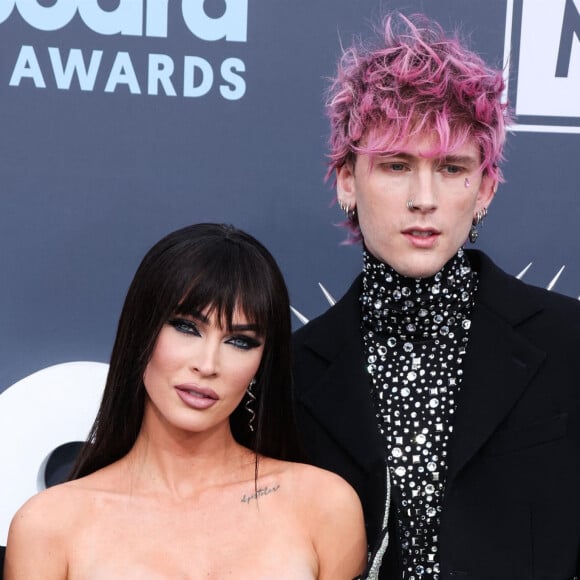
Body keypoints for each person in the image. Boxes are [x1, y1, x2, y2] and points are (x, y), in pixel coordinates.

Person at [292, 13, 580, 579]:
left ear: (486, 190)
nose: (424, 198)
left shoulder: (568, 343)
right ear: (347, 180)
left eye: (451, 168)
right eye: (397, 166)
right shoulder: (295, 371)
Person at [4, 223, 367, 580]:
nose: (207, 365)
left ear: (261, 363)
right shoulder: (50, 526)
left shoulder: (323, 506)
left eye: (240, 342)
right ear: (141, 331)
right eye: (187, 328)